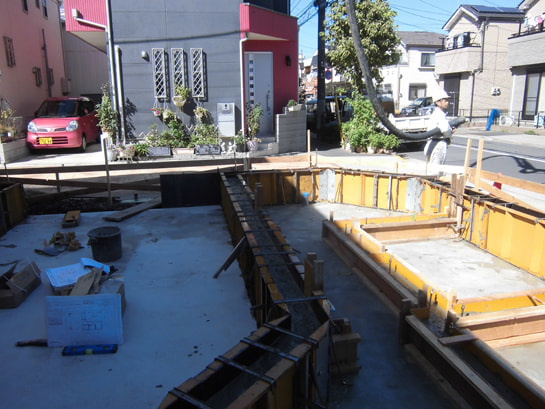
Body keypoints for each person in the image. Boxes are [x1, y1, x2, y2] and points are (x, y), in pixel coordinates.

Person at [424, 89, 455, 166]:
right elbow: (445, 129)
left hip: (432, 143)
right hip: (438, 145)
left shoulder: (436, 113)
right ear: (438, 102)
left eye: (447, 101)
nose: (447, 102)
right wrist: (450, 132)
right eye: (445, 101)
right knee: (436, 170)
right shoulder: (439, 114)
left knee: (430, 168)